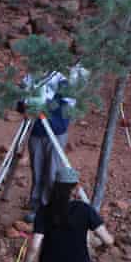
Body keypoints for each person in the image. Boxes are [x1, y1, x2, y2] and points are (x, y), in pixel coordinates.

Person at [19, 69, 81, 223]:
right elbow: (19, 102)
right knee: (37, 170)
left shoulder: (63, 80)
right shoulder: (30, 77)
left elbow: (67, 107)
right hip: (36, 131)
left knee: (52, 172)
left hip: (55, 133)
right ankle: (36, 206)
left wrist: (44, 104)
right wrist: (25, 104)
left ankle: (49, 207)